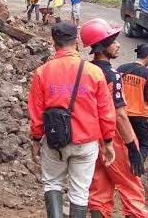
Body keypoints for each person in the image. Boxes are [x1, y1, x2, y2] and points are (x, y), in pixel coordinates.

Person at [28, 21, 117, 218]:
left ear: (53, 42)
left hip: (55, 141)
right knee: (80, 191)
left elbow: (36, 111)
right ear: (77, 41)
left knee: (52, 183)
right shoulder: (94, 72)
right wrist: (108, 141)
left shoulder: (42, 72)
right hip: (86, 142)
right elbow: (106, 111)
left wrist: (36, 139)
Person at [80, 19, 147, 218]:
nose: (118, 45)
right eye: (113, 41)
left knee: (99, 188)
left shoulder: (84, 71)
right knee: (132, 187)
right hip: (115, 138)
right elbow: (119, 115)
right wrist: (132, 147)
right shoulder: (112, 75)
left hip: (91, 136)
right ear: (101, 46)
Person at [117, 43, 148, 160]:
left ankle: (125, 164)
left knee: (124, 142)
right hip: (140, 115)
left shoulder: (121, 69)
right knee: (144, 144)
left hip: (122, 114)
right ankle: (137, 166)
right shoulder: (147, 74)